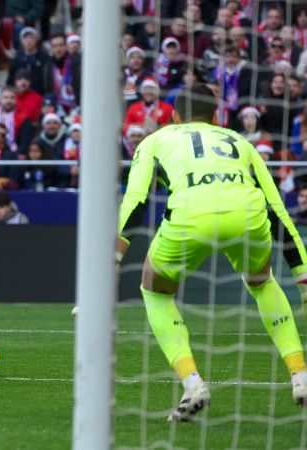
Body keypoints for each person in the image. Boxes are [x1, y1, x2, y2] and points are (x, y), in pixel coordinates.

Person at [117, 83, 307, 421]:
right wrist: (302, 274)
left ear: (173, 116)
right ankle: (300, 375)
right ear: (216, 117)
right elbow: (277, 209)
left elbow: (136, 202)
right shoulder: (239, 141)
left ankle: (192, 383)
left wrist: (111, 262)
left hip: (190, 217)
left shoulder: (155, 140)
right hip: (247, 216)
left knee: (153, 289)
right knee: (262, 282)